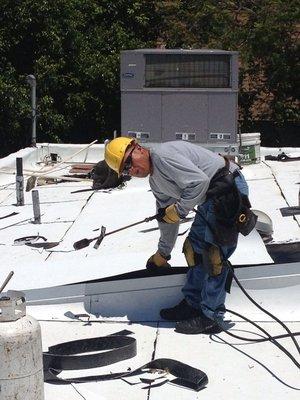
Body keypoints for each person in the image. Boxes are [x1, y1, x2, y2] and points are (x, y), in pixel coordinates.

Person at [105, 137, 252, 334]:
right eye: (125, 170)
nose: (131, 170)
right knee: (193, 248)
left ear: (138, 148)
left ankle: (211, 317)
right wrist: (163, 254)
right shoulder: (155, 182)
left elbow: (199, 183)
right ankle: (193, 304)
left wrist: (180, 209)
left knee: (214, 256)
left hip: (228, 187)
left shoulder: (162, 156)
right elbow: (166, 217)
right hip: (210, 196)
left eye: (129, 163)